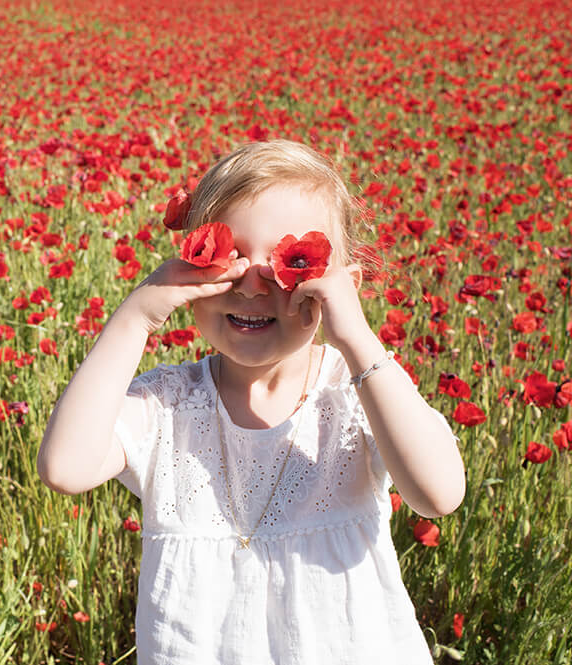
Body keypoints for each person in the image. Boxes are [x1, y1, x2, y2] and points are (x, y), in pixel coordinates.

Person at [37, 139, 466, 664]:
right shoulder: (168, 405)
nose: (251, 287)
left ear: (340, 286)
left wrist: (355, 336)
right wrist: (137, 316)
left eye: (291, 263)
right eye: (228, 257)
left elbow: (439, 494)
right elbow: (64, 468)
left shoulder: (354, 396)